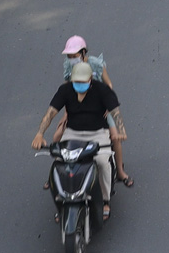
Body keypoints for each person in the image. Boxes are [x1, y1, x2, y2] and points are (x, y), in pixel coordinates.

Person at [33, 61, 126, 221]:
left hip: (97, 133)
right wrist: (40, 134)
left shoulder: (102, 90)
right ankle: (62, 202)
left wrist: (121, 131)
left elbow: (115, 111)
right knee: (60, 163)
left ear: (90, 79)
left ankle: (105, 200)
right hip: (72, 133)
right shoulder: (65, 90)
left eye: (83, 82)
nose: (79, 84)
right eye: (76, 81)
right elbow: (51, 113)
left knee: (102, 162)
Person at [59, 36, 131, 186]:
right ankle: (58, 172)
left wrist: (106, 106)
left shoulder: (96, 64)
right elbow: (68, 90)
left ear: (83, 52)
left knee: (115, 136)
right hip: (78, 105)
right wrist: (66, 113)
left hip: (101, 104)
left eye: (75, 55)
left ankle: (120, 170)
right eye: (69, 56)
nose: (72, 59)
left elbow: (108, 84)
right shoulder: (69, 66)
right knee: (60, 135)